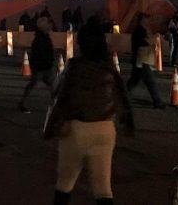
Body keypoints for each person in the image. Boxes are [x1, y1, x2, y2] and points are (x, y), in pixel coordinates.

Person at [45, 21, 134, 205]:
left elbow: (59, 96)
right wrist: (128, 121)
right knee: (103, 188)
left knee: (65, 184)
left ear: (81, 44)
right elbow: (123, 96)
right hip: (105, 129)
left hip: (76, 130)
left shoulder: (74, 67)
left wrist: (49, 128)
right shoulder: (109, 68)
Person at [125, 13, 164, 108]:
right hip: (142, 60)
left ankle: (122, 97)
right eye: (146, 19)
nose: (147, 21)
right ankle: (158, 102)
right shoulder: (140, 30)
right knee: (150, 82)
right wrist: (151, 42)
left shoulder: (141, 29)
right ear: (142, 20)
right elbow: (142, 43)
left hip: (139, 60)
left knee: (133, 81)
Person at [18, 16, 56, 113]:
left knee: (47, 86)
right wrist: (48, 63)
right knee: (50, 86)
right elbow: (41, 53)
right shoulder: (42, 39)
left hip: (42, 66)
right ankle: (22, 103)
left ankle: (23, 103)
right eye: (49, 24)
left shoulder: (41, 38)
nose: (51, 26)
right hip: (42, 67)